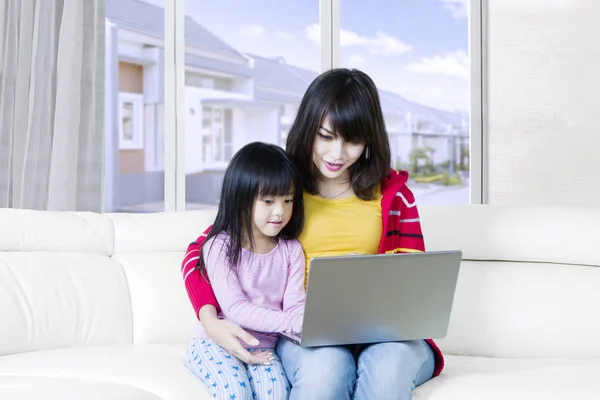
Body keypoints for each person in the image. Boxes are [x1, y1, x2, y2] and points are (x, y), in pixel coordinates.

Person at [182, 68, 444, 400]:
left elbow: (412, 280)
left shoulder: (394, 196)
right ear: (309, 130)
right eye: (326, 136)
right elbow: (202, 250)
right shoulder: (282, 187)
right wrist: (210, 319)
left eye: (352, 140)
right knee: (325, 376)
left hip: (386, 335)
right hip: (304, 330)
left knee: (386, 374)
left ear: (369, 140)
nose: (337, 154)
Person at [184, 142, 306, 400]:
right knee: (236, 392)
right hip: (215, 343)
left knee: (274, 393)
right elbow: (236, 309)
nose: (280, 211)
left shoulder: (291, 249)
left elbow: (295, 306)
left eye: (288, 200)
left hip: (265, 346)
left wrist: (309, 321)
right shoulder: (219, 245)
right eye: (269, 201)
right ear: (241, 198)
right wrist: (292, 322)